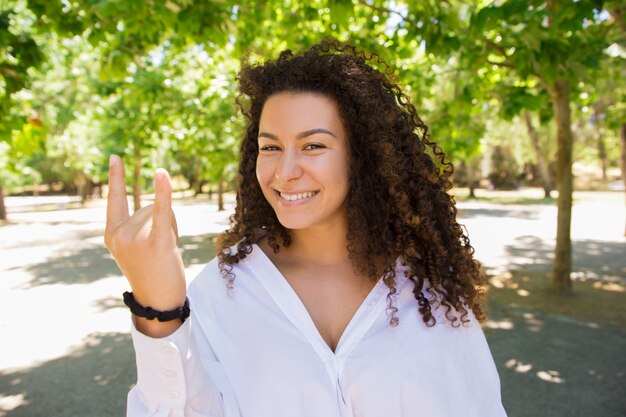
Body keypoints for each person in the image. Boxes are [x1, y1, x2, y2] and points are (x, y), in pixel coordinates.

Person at [104, 40, 507, 417]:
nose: (285, 171)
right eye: (271, 147)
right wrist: (158, 307)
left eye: (313, 145)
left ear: (361, 156)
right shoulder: (225, 288)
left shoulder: (426, 288)